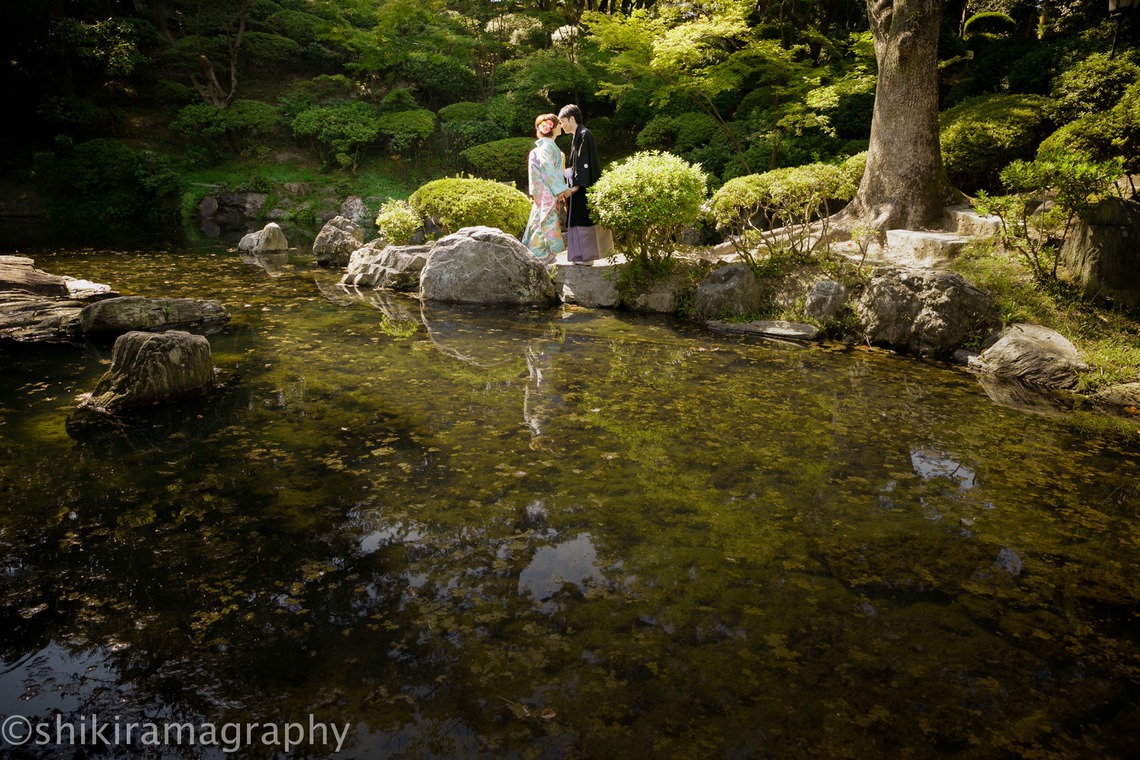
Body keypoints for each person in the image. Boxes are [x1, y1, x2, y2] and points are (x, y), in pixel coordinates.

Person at [558, 104, 612, 264]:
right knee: (577, 219)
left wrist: (575, 187)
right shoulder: (577, 135)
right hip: (578, 186)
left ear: (572, 118)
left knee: (584, 220)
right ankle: (579, 256)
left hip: (583, 187)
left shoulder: (584, 134)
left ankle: (587, 257)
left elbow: (585, 163)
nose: (561, 125)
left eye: (563, 121)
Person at [521, 113, 572, 263]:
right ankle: (540, 256)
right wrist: (563, 189)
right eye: (558, 124)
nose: (561, 127)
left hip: (543, 191)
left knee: (540, 221)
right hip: (547, 191)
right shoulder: (547, 146)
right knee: (545, 222)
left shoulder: (544, 146)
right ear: (553, 128)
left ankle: (540, 254)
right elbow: (547, 168)